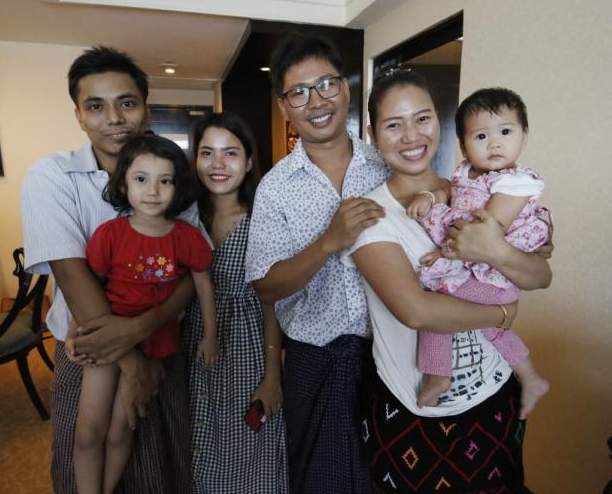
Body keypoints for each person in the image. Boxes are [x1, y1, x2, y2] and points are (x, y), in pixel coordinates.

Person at [346, 69, 552, 492]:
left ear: (439, 124)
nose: (410, 135)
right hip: (412, 412)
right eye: (392, 124)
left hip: (494, 394)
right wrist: (501, 313)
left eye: (422, 118)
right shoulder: (369, 215)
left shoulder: (476, 192)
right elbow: (416, 310)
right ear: (373, 133)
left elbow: (540, 275)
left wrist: (496, 251)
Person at [21, 46, 197, 493]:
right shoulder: (52, 177)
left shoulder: (176, 180)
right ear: (79, 116)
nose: (114, 118)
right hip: (89, 350)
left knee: (161, 468)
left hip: (161, 347)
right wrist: (130, 361)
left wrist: (144, 340)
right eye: (95, 106)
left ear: (145, 107)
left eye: (126, 102)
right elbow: (72, 274)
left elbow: (189, 277)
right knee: (82, 451)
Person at [245, 35, 388, 493]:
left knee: (386, 475)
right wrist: (330, 241)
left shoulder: (386, 165)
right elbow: (266, 288)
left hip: (388, 353)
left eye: (327, 84)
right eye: (299, 92)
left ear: (347, 89)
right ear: (285, 107)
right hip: (313, 360)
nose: (316, 101)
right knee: (318, 481)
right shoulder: (276, 187)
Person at [74, 134, 217, 494]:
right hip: (109, 339)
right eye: (141, 179)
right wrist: (77, 331)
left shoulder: (187, 236)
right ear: (123, 183)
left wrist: (211, 335)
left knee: (122, 430)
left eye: (164, 181)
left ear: (177, 187)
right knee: (89, 430)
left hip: (155, 340)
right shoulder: (109, 234)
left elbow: (203, 286)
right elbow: (89, 286)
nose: (152, 190)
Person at [406, 87, 550, 415]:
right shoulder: (464, 173)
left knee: (437, 304)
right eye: (481, 135)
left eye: (505, 131)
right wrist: (430, 198)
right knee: (490, 327)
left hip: (494, 273)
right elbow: (452, 196)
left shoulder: (516, 182)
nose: (495, 143)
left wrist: (445, 254)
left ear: (523, 136)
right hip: (480, 267)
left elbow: (486, 232)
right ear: (463, 145)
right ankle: (530, 377)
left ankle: (437, 374)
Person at [184, 112, 289, 493]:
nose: (217, 164)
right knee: (201, 438)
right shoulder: (186, 216)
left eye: (230, 153)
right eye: (207, 152)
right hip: (195, 339)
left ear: (248, 162)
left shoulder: (263, 219)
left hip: (247, 343)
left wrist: (273, 373)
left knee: (249, 438)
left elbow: (271, 301)